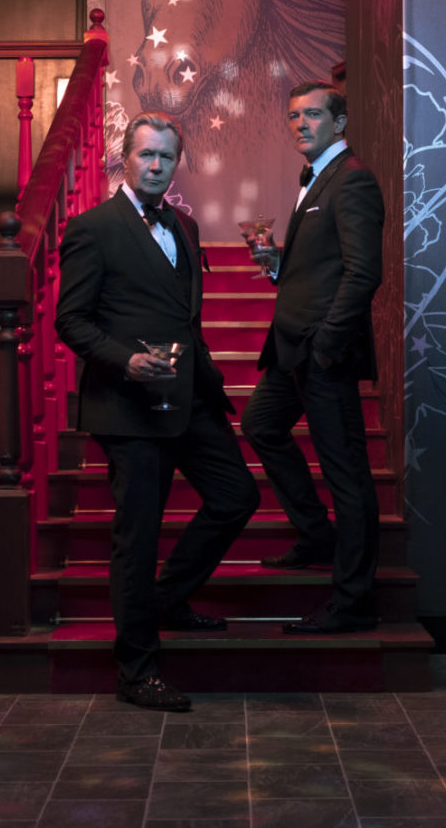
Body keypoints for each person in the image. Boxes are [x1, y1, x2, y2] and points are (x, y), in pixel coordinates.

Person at [55, 112, 260, 711]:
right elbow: (71, 320)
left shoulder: (185, 225)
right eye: (146, 154)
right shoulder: (92, 228)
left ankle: (166, 599)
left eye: (166, 157)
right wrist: (125, 360)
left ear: (177, 163)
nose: (155, 165)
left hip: (189, 394)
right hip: (129, 405)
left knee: (236, 497)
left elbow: (184, 315)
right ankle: (137, 671)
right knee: (137, 539)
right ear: (125, 158)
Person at [240, 81, 385, 634]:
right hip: (290, 347)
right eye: (294, 115)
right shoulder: (316, 177)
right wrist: (276, 261)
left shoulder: (353, 179)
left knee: (346, 474)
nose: (301, 123)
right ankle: (317, 534)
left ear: (339, 123)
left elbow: (363, 273)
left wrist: (326, 344)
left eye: (314, 114)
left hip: (322, 351)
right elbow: (317, 268)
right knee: (261, 426)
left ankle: (353, 602)